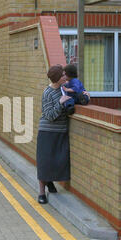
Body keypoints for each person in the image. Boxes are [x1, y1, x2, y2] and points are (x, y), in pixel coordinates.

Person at [36, 65, 72, 204]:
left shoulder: (62, 89)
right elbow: (50, 115)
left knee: (58, 160)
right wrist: (60, 102)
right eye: (63, 75)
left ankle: (49, 181)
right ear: (57, 78)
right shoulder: (48, 92)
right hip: (48, 132)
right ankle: (41, 193)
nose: (65, 76)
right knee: (44, 162)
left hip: (60, 131)